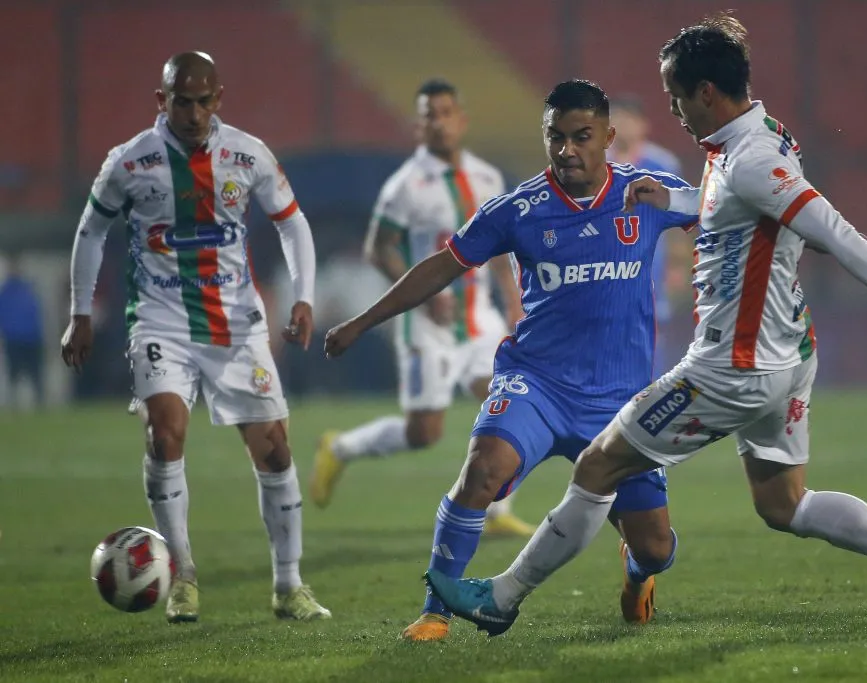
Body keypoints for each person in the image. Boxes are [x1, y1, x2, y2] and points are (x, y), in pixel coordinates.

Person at [424, 13, 867, 635]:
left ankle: (500, 598)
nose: (672, 110)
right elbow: (743, 206)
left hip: (730, 368)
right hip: (791, 357)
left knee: (595, 468)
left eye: (675, 95)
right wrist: (675, 201)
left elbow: (831, 230)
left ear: (706, 93)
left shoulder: (747, 160)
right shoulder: (761, 136)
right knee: (785, 504)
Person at [324, 79, 700, 641]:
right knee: (482, 468)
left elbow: (721, 208)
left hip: (620, 400)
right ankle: (435, 610)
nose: (567, 149)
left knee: (656, 545)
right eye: (556, 137)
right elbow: (442, 266)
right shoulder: (518, 209)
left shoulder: (648, 194)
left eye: (581, 137)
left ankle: (637, 571)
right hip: (538, 384)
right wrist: (360, 322)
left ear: (608, 138)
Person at [60, 51, 330, 623]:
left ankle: (288, 585)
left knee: (275, 448)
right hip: (160, 321)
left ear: (218, 99)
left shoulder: (247, 153)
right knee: (165, 432)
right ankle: (182, 575)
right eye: (181, 100)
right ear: (163, 101)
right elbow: (91, 231)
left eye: (203, 100)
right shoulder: (131, 161)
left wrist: (303, 296)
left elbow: (292, 222)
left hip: (236, 325)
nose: (193, 111)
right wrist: (80, 311)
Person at [309, 79, 533, 538]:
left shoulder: (487, 177)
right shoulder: (404, 185)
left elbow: (496, 247)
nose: (439, 121)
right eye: (430, 114)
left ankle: (495, 513)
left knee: (510, 405)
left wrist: (513, 302)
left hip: (477, 319)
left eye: (447, 111)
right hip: (424, 325)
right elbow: (378, 248)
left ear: (462, 119)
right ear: (418, 125)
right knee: (424, 433)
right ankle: (342, 447)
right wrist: (425, 296)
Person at [609, 97, 686, 376]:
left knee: (650, 340)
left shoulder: (663, 164)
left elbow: (680, 218)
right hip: (605, 266)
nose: (622, 126)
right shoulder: (595, 163)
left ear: (644, 126)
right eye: (616, 119)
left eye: (629, 119)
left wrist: (677, 266)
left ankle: (649, 401)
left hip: (650, 266)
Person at [0, 253, 45, 407]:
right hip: (14, 339)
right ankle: (13, 405)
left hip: (31, 338)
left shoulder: (28, 288)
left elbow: (36, 313)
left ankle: (40, 404)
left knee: (36, 374)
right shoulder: (5, 292)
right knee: (14, 375)